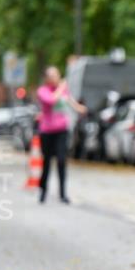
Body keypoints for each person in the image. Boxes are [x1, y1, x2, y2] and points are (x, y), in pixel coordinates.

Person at [35, 66, 86, 203]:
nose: (55, 78)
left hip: (62, 130)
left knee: (62, 160)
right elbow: (51, 100)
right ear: (47, 79)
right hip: (47, 131)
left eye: (56, 75)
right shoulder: (43, 91)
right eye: (52, 76)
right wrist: (61, 88)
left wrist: (80, 109)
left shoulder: (63, 90)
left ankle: (63, 193)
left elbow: (71, 102)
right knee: (46, 162)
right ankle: (43, 190)